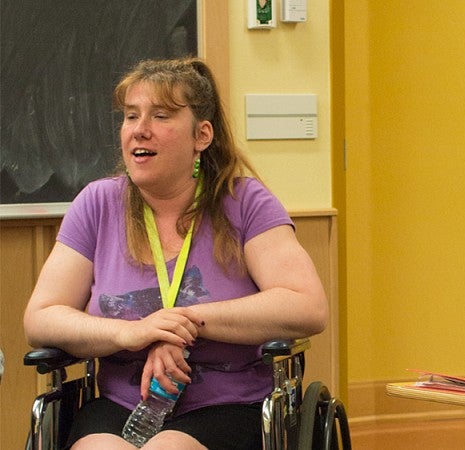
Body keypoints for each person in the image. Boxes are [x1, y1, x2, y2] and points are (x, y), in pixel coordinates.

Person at [23, 57, 328, 449]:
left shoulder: (244, 202)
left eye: (161, 116)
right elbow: (42, 317)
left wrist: (181, 322)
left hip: (229, 403)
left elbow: (307, 306)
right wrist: (131, 333)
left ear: (201, 135)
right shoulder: (97, 204)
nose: (140, 130)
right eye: (131, 117)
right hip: (123, 404)